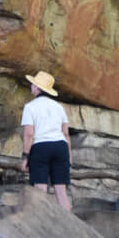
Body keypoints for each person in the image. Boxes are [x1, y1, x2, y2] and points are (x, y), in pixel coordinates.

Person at [20, 70, 72, 212]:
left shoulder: (30, 107)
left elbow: (29, 134)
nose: (31, 86)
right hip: (60, 147)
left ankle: (41, 225)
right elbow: (66, 134)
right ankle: (69, 226)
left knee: (40, 189)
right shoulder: (59, 107)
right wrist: (69, 156)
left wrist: (25, 156)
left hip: (41, 147)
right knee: (61, 191)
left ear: (37, 88)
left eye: (33, 84)